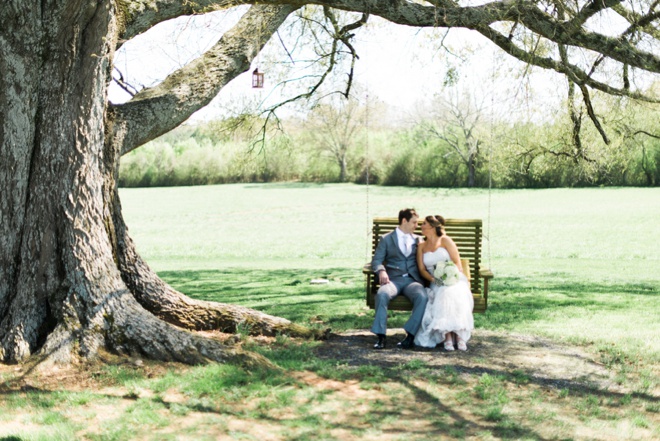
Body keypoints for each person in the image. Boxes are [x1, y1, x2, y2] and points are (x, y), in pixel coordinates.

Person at [414, 215, 474, 351]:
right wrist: (434, 280)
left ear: (433, 227)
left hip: (454, 278)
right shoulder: (421, 246)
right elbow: (422, 269)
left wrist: (450, 278)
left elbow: (457, 263)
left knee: (453, 292)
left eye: (423, 224)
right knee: (443, 292)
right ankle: (447, 336)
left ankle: (459, 336)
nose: (421, 226)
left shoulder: (445, 240)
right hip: (435, 281)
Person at [370, 208, 428, 350]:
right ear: (404, 221)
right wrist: (382, 271)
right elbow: (376, 261)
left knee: (422, 296)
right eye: (414, 222)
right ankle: (381, 336)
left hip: (412, 281)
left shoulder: (418, 239)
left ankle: (410, 335)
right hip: (393, 280)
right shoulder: (387, 238)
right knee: (382, 294)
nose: (417, 226)